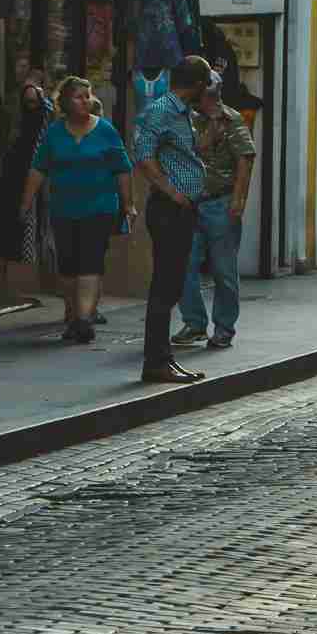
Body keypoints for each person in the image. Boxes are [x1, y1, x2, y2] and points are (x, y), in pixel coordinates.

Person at [21, 76, 131, 345]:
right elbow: (38, 168)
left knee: (90, 262)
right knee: (68, 266)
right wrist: (26, 202)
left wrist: (129, 204)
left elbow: (122, 168)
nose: (86, 101)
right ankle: (73, 315)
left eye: (88, 95)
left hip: (100, 207)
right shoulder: (55, 133)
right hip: (64, 209)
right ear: (66, 102)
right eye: (79, 97)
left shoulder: (105, 130)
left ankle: (83, 320)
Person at [126, 55, 215, 386]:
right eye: (206, 83)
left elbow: (182, 154)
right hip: (169, 209)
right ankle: (156, 362)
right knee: (165, 285)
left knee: (173, 284)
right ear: (198, 84)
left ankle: (164, 358)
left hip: (182, 208)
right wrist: (173, 192)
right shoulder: (162, 110)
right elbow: (143, 155)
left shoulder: (183, 112)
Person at [170, 75, 256, 351]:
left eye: (211, 93)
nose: (209, 98)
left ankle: (223, 328)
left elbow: (245, 160)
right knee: (185, 265)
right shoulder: (186, 118)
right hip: (190, 202)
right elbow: (182, 153)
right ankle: (194, 323)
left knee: (223, 269)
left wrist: (239, 199)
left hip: (220, 202)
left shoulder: (232, 120)